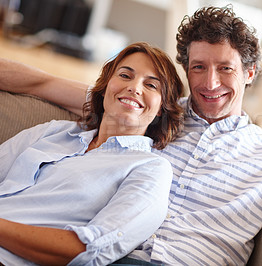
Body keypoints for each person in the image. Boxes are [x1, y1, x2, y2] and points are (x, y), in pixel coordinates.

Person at [0, 6, 262, 266]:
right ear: (186, 69)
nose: (210, 83)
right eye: (198, 67)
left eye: (225, 68)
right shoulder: (148, 111)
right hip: (105, 255)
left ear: (250, 72)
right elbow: (41, 81)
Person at [0, 42, 184, 265]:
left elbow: (88, 251)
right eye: (125, 75)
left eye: (151, 86)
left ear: (162, 109)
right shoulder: (55, 131)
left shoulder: (151, 169)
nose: (135, 88)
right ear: (106, 86)